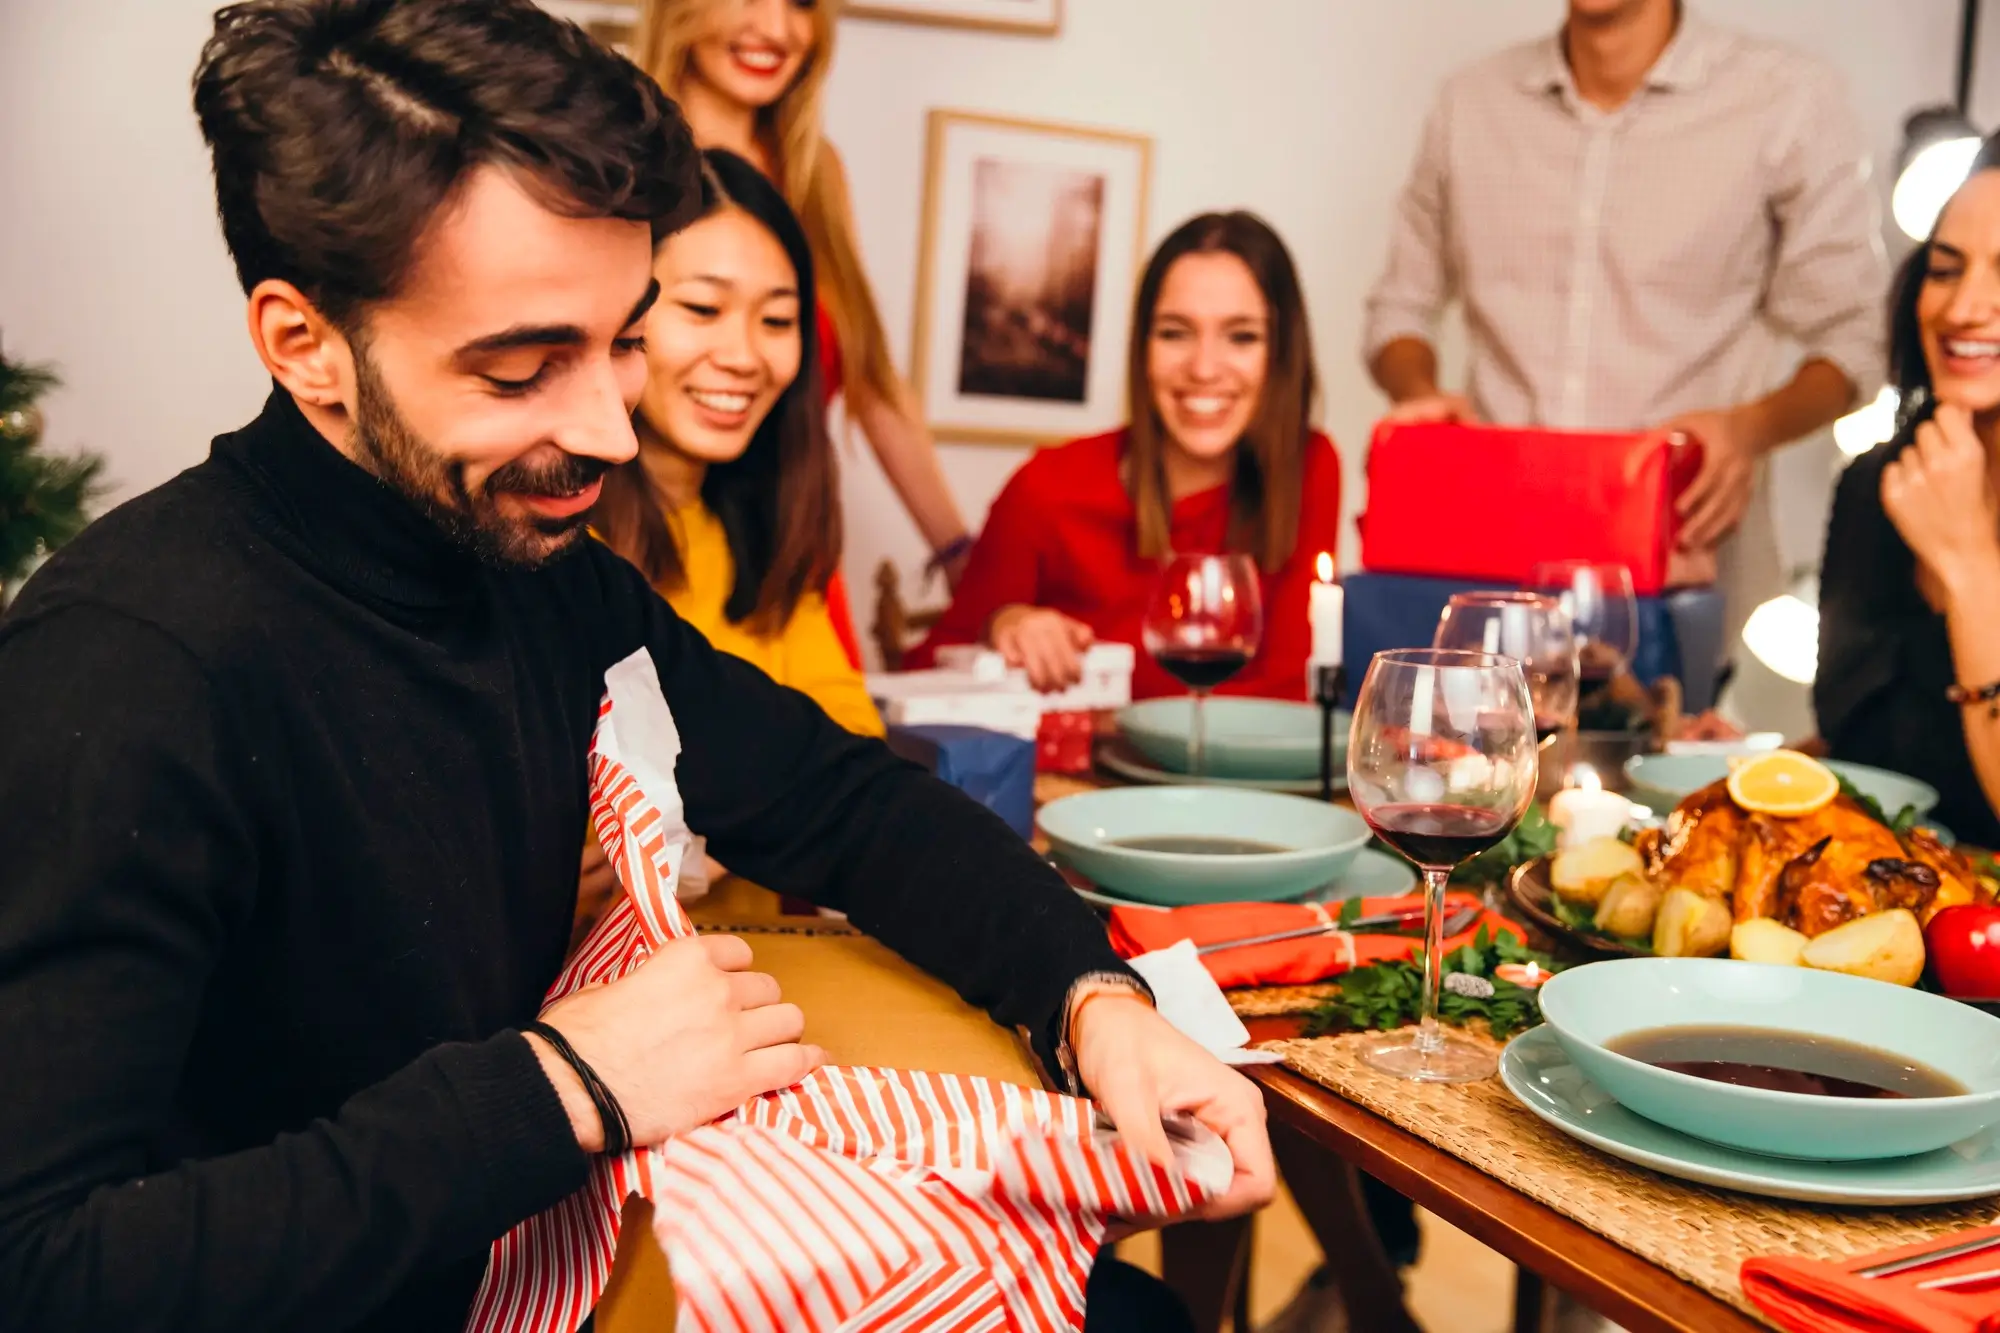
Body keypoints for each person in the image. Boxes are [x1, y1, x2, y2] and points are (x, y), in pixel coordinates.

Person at [0, 3, 1274, 1329]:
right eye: (522, 370)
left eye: (622, 339)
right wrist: (563, 1085)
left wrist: (1091, 999)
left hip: (561, 1259)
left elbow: (838, 800)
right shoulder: (126, 671)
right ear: (304, 343)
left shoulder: (544, 578)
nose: (609, 427)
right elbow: (41, 1269)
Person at [1362, 0, 1886, 662]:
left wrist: (1747, 429)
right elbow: (1397, 310)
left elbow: (1855, 338)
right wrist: (1417, 389)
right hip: (1488, 573)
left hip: (1678, 576)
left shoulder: (1785, 100)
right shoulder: (1471, 104)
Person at [910, 211, 1342, 699]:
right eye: (1174, 333)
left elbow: (1287, 690)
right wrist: (1003, 628)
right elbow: (925, 678)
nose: (1203, 368)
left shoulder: (1308, 467)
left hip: (1247, 777)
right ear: (1142, 347)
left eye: (1242, 336)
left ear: (1282, 354)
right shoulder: (1046, 488)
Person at [632, 0, 976, 605]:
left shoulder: (818, 171)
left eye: (801, 4)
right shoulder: (620, 153)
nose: (776, 28)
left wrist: (958, 554)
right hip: (647, 545)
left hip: (787, 547)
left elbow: (872, 378)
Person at [593, 147, 881, 739]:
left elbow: (853, 746)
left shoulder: (764, 533)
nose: (744, 356)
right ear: (617, 317)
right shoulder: (553, 538)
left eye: (776, 321)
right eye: (703, 308)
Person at [1817, 136, 2000, 849]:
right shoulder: (1873, 486)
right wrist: (1762, 760)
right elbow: (1890, 753)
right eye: (1945, 270)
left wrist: (1968, 562)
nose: (1964, 309)